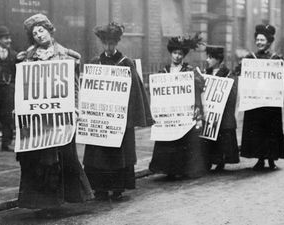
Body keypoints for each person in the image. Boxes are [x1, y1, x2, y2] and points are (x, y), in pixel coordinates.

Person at [15, 13, 93, 213]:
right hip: (37, 118)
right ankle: (43, 203)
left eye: (41, 30)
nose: (39, 35)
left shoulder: (67, 56)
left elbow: (74, 86)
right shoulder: (27, 58)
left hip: (61, 116)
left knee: (62, 157)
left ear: (49, 30)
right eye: (34, 34)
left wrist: (76, 107)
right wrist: (19, 106)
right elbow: (22, 87)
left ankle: (60, 200)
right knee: (39, 159)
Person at [83, 22, 153, 201]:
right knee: (99, 156)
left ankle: (117, 188)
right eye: (106, 43)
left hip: (119, 120)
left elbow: (135, 93)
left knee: (117, 156)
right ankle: (99, 188)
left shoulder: (126, 63)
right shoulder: (95, 63)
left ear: (116, 43)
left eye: (112, 43)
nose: (108, 47)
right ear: (102, 43)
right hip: (100, 118)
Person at [149, 34, 207, 179]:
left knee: (183, 140)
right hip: (169, 113)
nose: (177, 56)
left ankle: (182, 169)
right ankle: (169, 169)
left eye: (180, 54)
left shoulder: (189, 71)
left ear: (184, 55)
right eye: (175, 53)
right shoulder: (164, 71)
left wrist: (198, 109)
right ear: (171, 53)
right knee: (169, 140)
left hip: (183, 113)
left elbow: (199, 87)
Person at [238, 24, 284, 170]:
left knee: (271, 130)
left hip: (270, 103)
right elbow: (241, 74)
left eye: (262, 40)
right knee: (257, 130)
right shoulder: (250, 58)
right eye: (257, 40)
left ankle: (271, 159)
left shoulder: (276, 59)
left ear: (269, 42)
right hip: (255, 102)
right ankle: (260, 159)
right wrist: (242, 67)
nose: (259, 42)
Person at [203, 45, 239, 171]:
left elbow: (232, 93)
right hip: (209, 110)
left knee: (221, 136)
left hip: (222, 112)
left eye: (210, 58)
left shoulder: (228, 73)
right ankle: (207, 160)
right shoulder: (206, 72)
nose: (207, 60)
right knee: (207, 136)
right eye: (207, 57)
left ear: (218, 59)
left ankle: (220, 160)